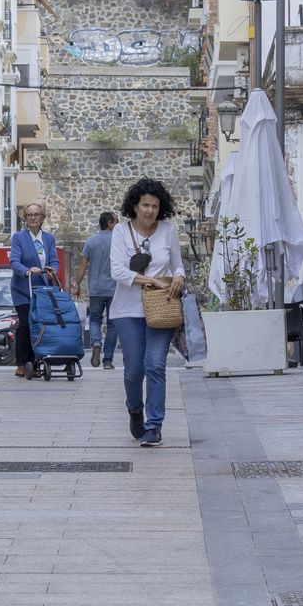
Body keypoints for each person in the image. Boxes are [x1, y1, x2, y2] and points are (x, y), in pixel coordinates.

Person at [110, 178, 186, 446]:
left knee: (155, 365)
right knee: (133, 370)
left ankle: (154, 426)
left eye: (155, 206)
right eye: (145, 205)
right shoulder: (121, 232)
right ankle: (134, 408)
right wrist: (151, 280)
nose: (150, 210)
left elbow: (178, 264)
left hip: (161, 307)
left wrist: (177, 277)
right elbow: (117, 271)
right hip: (127, 310)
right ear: (135, 206)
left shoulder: (168, 231)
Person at [9, 204, 60, 377]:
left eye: (36, 214)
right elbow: (14, 261)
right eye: (29, 214)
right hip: (23, 289)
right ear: (25, 218)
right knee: (26, 324)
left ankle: (37, 360)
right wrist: (27, 271)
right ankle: (22, 363)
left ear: (42, 217)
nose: (33, 217)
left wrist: (52, 269)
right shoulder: (19, 238)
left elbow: (54, 261)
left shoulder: (49, 239)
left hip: (42, 290)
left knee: (40, 324)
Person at [72, 211, 119, 369]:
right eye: (116, 222)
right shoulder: (119, 241)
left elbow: (83, 265)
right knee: (113, 324)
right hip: (115, 289)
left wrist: (77, 285)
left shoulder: (91, 241)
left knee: (95, 320)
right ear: (110, 223)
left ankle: (96, 342)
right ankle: (108, 361)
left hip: (96, 289)